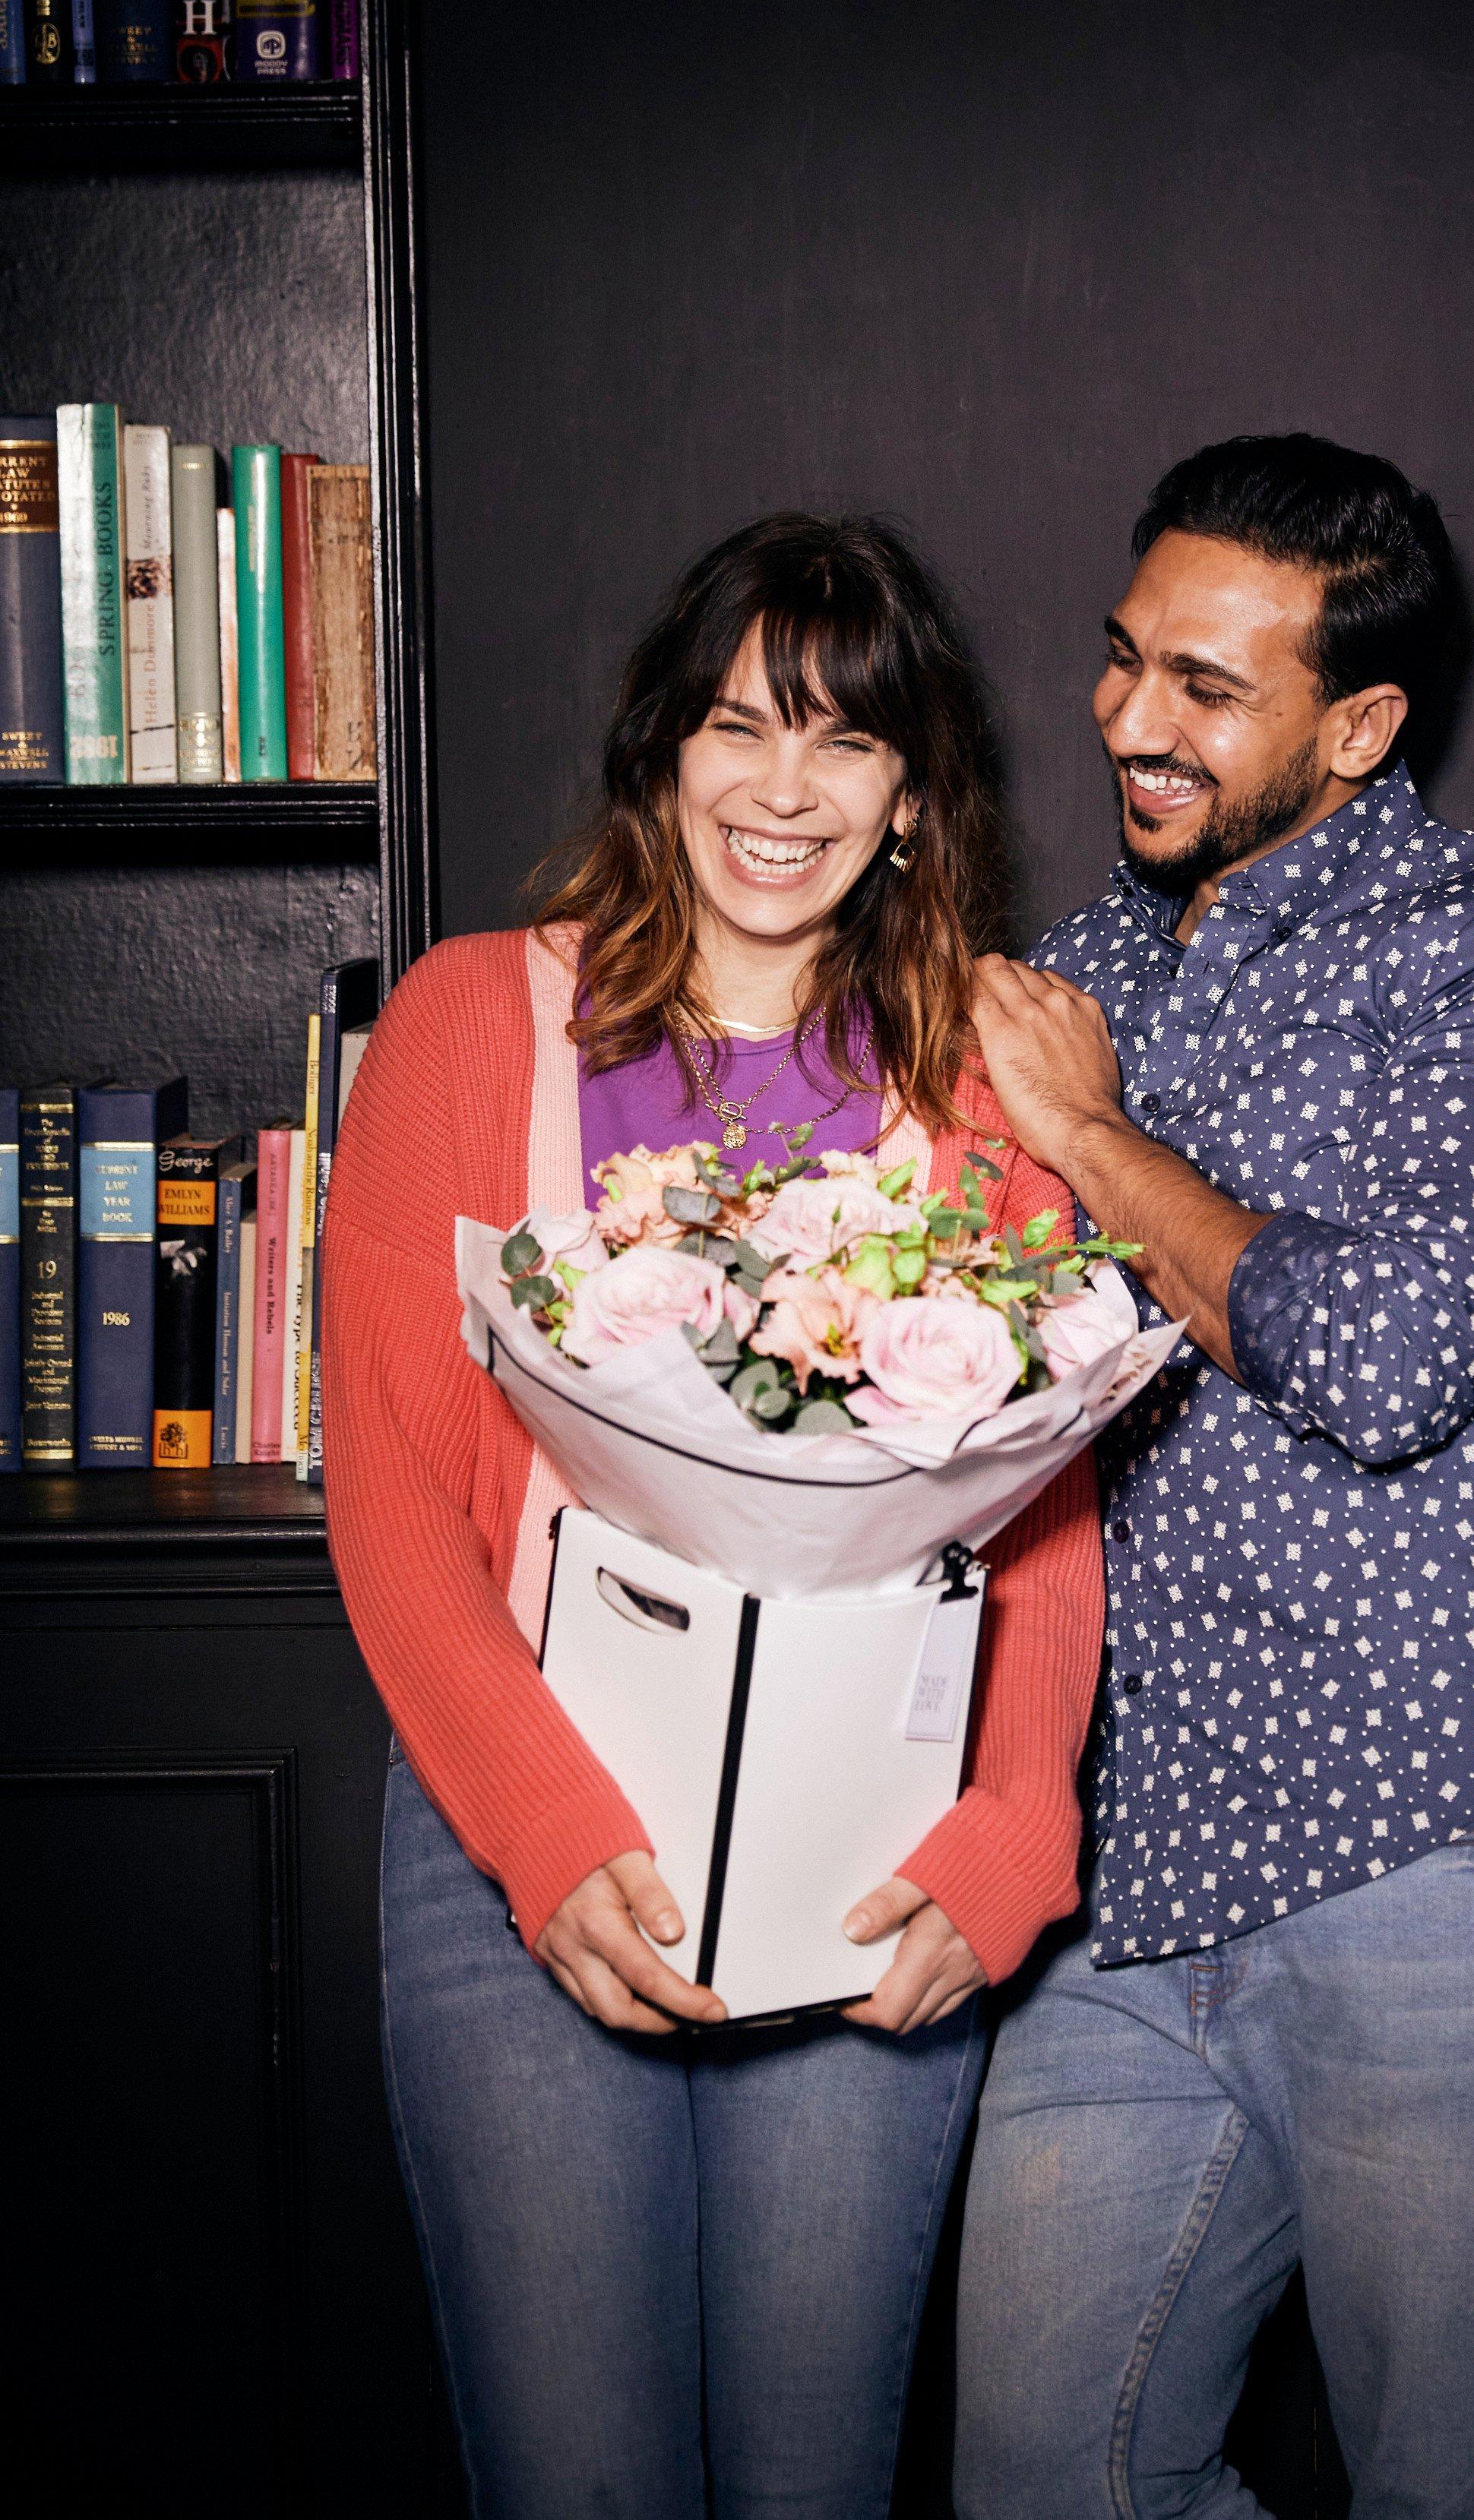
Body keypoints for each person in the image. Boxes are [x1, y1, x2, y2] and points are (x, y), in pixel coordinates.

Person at [321, 514, 1104, 2520]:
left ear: (910, 792)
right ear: (664, 748)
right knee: (577, 2482)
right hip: (524, 1834)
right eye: (741, 724)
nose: (784, 785)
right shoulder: (466, 1022)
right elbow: (394, 1496)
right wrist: (542, 1829)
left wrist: (1016, 1828)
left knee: (810, 2484)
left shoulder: (978, 1076)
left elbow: (1043, 1515)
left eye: (846, 738)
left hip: (869, 1853)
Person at [957, 432, 1474, 2520]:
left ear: (1356, 726)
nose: (1129, 717)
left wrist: (1093, 1143)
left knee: (1453, 2483)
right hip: (1136, 1864)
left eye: (1206, 685)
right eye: (1123, 658)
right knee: (1042, 2479)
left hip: (1449, 1840)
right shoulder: (1081, 970)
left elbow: (1382, 1359)